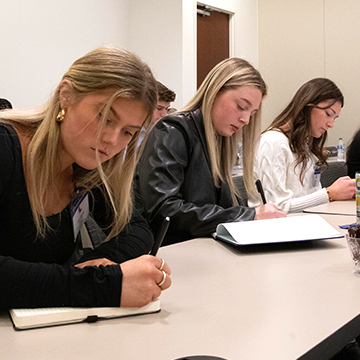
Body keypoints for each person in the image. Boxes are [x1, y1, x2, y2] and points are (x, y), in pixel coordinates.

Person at [0, 46, 171, 310]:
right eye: (104, 116)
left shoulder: (87, 166)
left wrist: (100, 263)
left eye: (128, 132)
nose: (112, 140)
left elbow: (136, 229)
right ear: (66, 96)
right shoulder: (5, 146)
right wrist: (100, 284)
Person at [135, 57, 285, 246]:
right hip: (175, 253)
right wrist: (248, 215)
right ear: (214, 92)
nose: (246, 120)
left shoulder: (218, 140)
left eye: (252, 113)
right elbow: (164, 211)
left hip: (204, 248)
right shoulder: (172, 131)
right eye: (241, 107)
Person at [248, 78, 355, 213]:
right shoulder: (273, 142)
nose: (331, 124)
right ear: (307, 106)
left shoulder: (306, 145)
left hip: (304, 224)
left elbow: (311, 199)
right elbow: (276, 208)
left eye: (334, 119)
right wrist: (329, 194)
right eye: (328, 114)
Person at [137, 81, 176, 147]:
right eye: (159, 108)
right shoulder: (129, 131)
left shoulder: (163, 133)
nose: (164, 114)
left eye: (166, 109)